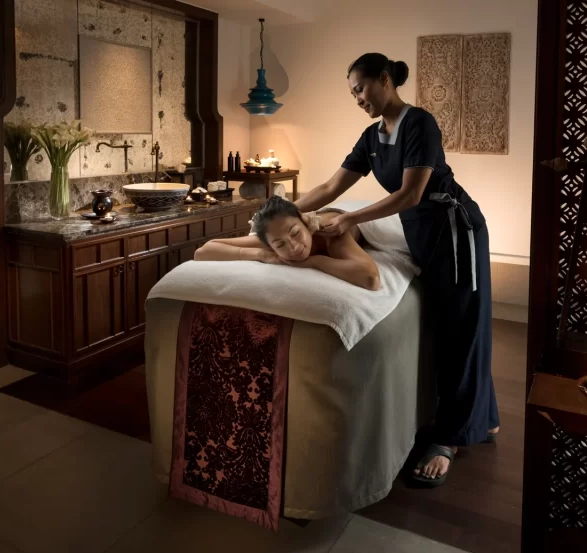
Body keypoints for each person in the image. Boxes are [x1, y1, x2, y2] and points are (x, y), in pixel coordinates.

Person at [293, 52, 499, 487]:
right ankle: (484, 417)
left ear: (384, 80)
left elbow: (410, 194)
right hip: (424, 234)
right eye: (352, 94)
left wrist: (350, 219)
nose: (357, 99)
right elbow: (331, 186)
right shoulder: (371, 136)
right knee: (452, 325)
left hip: (455, 231)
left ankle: (448, 439)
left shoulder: (418, 123)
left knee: (460, 328)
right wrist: (281, 209)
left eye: (361, 88)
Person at [194, 195, 382, 291]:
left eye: (296, 233)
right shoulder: (274, 235)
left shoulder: (329, 232)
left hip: (353, 217)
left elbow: (370, 279)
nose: (294, 247)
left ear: (303, 221)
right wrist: (262, 255)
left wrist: (313, 262)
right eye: (280, 245)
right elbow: (203, 252)